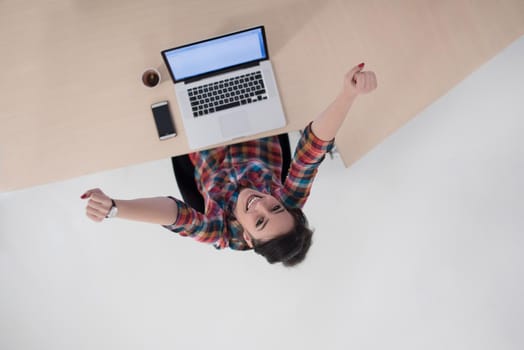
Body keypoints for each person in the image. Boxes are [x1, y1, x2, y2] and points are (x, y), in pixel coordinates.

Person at [81, 63, 377, 266]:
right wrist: (349, 94)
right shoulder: (291, 200)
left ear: (248, 238)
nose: (260, 204)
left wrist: (114, 208)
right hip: (250, 110)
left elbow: (176, 216)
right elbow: (311, 153)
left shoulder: (221, 233)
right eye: (275, 207)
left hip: (202, 129)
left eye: (259, 221)